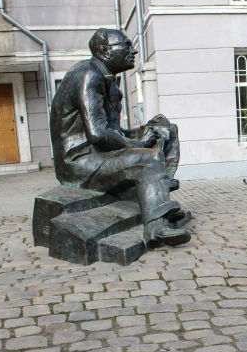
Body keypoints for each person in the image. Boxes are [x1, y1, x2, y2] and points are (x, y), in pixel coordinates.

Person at [49, 28, 190, 248]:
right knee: (148, 158)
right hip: (79, 162)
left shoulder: (107, 81)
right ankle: (155, 228)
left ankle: (159, 197)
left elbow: (111, 131)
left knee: (166, 130)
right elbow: (98, 135)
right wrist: (138, 143)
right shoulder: (88, 76)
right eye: (125, 45)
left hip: (98, 154)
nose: (132, 50)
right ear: (105, 51)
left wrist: (144, 132)